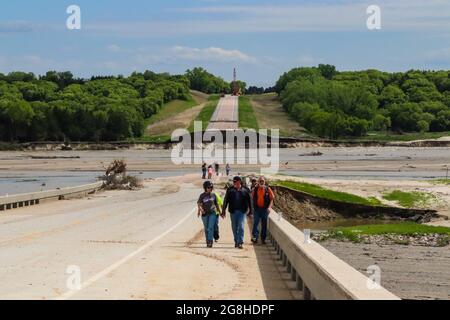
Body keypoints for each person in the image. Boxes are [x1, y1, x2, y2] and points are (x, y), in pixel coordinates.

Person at [222, 176, 253, 249]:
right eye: (233, 182)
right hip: (233, 211)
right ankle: (236, 240)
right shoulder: (230, 190)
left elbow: (250, 201)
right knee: (234, 227)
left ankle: (240, 242)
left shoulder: (246, 190)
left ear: (239, 181)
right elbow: (226, 201)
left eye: (235, 181)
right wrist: (223, 211)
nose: (234, 183)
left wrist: (251, 211)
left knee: (241, 226)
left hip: (242, 211)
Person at [251, 176, 274, 245]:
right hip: (257, 209)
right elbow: (252, 198)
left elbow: (272, 199)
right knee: (256, 223)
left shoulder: (268, 189)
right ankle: (255, 237)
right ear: (258, 182)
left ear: (264, 182)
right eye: (260, 181)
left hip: (264, 210)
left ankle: (263, 239)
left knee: (264, 225)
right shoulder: (255, 189)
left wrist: (269, 207)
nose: (261, 182)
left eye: (262, 181)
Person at [197, 181, 221, 248]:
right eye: (209, 187)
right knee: (206, 228)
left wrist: (220, 212)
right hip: (205, 214)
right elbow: (199, 204)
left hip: (212, 213)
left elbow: (216, 204)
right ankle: (207, 241)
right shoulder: (202, 196)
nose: (210, 188)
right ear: (205, 188)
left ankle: (210, 241)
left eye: (211, 187)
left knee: (210, 227)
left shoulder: (213, 195)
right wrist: (201, 210)